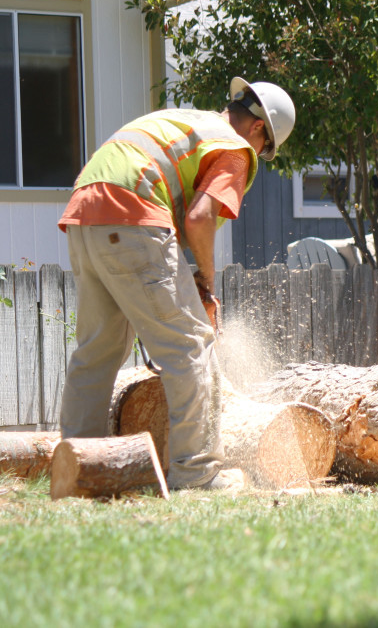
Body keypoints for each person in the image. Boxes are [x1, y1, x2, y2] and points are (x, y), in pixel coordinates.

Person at [58, 77, 296, 489]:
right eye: (266, 150)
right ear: (260, 130)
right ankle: (197, 473)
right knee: (190, 346)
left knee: (96, 350)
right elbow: (200, 219)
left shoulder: (188, 121)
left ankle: (79, 469)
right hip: (132, 212)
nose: (259, 156)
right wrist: (206, 279)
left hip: (84, 211)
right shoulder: (236, 149)